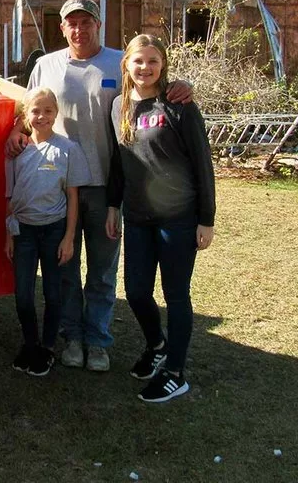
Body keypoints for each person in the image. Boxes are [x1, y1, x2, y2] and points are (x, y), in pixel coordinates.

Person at [6, 0, 192, 372]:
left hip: (109, 186)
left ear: (98, 24)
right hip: (60, 188)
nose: (79, 29)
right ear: (62, 28)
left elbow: (151, 83)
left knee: (103, 272)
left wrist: (182, 85)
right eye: (71, 22)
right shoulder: (45, 66)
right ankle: (72, 338)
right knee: (65, 268)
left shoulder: (118, 61)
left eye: (86, 21)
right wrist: (15, 130)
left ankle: (98, 341)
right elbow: (29, 111)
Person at [105, 34, 215, 403]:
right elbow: (118, 164)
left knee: (175, 294)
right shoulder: (119, 105)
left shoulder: (180, 104)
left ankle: (175, 372)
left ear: (163, 65)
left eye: (153, 61)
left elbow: (202, 163)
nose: (145, 68)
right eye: (138, 61)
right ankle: (157, 345)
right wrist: (111, 206)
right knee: (136, 291)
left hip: (178, 218)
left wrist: (206, 218)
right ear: (126, 65)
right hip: (137, 217)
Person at [4, 87, 90, 376]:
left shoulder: (68, 149)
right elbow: (9, 197)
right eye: (35, 111)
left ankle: (48, 347)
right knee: (23, 295)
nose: (42, 116)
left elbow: (73, 197)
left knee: (53, 294)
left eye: (48, 111)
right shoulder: (16, 151)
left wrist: (69, 238)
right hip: (24, 233)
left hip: (54, 231)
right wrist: (9, 234)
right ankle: (30, 344)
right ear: (26, 116)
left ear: (56, 113)